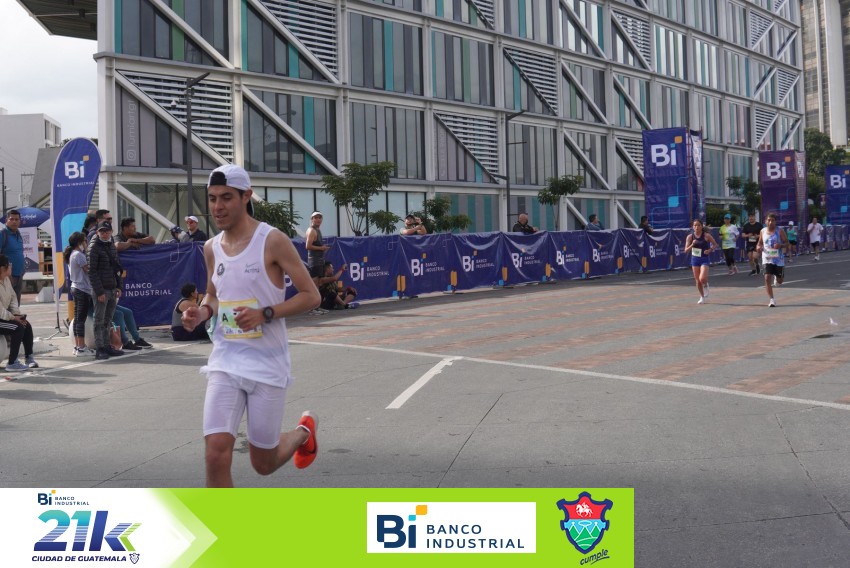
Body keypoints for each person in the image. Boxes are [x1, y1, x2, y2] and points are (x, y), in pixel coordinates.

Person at [180, 163, 321, 487]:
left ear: (246, 196)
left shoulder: (272, 240)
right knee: (215, 453)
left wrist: (265, 313)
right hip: (226, 360)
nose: (217, 206)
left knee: (263, 463)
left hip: (267, 364)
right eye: (212, 198)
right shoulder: (211, 247)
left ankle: (303, 432)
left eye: (226, 197)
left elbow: (311, 296)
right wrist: (201, 313)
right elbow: (214, 295)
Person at [88, 221, 125, 361]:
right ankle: (100, 348)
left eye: (107, 231)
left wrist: (119, 286)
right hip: (101, 289)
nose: (104, 233)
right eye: (102, 231)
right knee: (99, 320)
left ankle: (107, 345)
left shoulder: (111, 244)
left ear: (111, 231)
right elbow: (92, 272)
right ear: (97, 232)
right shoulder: (93, 247)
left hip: (112, 287)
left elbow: (117, 267)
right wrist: (99, 292)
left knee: (108, 320)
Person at [0, 254, 38, 371]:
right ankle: (12, 363)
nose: (11, 267)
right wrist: (13, 318)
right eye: (9, 265)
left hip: (3, 317)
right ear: (4, 268)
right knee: (18, 328)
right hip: (1, 317)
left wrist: (16, 314)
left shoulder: (6, 280)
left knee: (25, 325)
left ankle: (29, 358)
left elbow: (13, 298)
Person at [65, 232, 96, 357]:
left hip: (76, 288)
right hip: (82, 289)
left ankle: (78, 346)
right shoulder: (79, 255)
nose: (86, 243)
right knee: (80, 320)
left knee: (78, 319)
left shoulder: (73, 254)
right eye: (85, 241)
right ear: (79, 242)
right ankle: (81, 347)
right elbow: (88, 270)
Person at [756, 213, 788, 308]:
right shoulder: (762, 231)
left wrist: (780, 245)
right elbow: (759, 243)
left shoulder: (780, 231)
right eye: (769, 220)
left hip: (778, 260)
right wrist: (758, 247)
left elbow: (787, 243)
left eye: (772, 220)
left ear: (775, 222)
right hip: (767, 258)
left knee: (780, 281)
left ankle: (777, 279)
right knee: (767, 277)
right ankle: (772, 300)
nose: (770, 222)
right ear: (766, 221)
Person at [684, 218, 718, 304]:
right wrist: (692, 244)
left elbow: (715, 244)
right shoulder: (690, 237)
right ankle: (702, 297)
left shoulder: (706, 235)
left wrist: (709, 250)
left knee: (702, 278)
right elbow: (686, 250)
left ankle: (705, 285)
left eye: (698, 225)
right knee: (697, 280)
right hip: (695, 259)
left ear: (702, 226)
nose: (696, 227)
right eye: (695, 225)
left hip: (704, 258)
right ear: (692, 227)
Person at [0, 209, 26, 305]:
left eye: (16, 219)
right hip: (6, 277)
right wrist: (4, 273)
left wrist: (22, 270)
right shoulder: (2, 234)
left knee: (16, 305)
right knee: (6, 305)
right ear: (6, 220)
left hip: (19, 275)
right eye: (11, 219)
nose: (14, 221)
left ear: (19, 221)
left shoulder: (18, 234)